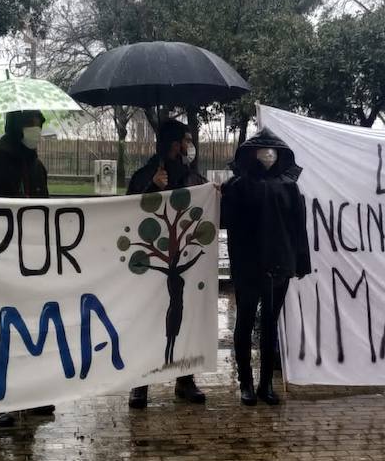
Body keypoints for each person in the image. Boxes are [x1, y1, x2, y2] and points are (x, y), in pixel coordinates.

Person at [0, 110, 56, 430]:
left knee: (29, 332)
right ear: (16, 128)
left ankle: (28, 395)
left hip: (30, 265)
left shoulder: (38, 168)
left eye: (39, 126)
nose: (36, 131)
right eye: (31, 125)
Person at [221, 130, 311, 405]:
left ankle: (265, 385)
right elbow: (225, 221)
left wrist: (299, 263)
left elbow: (298, 230)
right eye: (262, 150)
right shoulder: (237, 187)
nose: (268, 155)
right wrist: (223, 194)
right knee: (245, 321)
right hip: (249, 264)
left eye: (273, 151)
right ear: (252, 154)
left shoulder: (290, 188)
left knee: (271, 324)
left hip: (279, 265)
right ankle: (245, 383)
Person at [125, 119, 207, 409]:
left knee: (184, 317)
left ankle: (185, 380)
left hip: (182, 259)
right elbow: (128, 210)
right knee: (147, 320)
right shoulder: (146, 174)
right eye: (185, 139)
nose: (189, 145)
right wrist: (151, 186)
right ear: (173, 143)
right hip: (152, 263)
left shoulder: (190, 176)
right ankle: (140, 383)